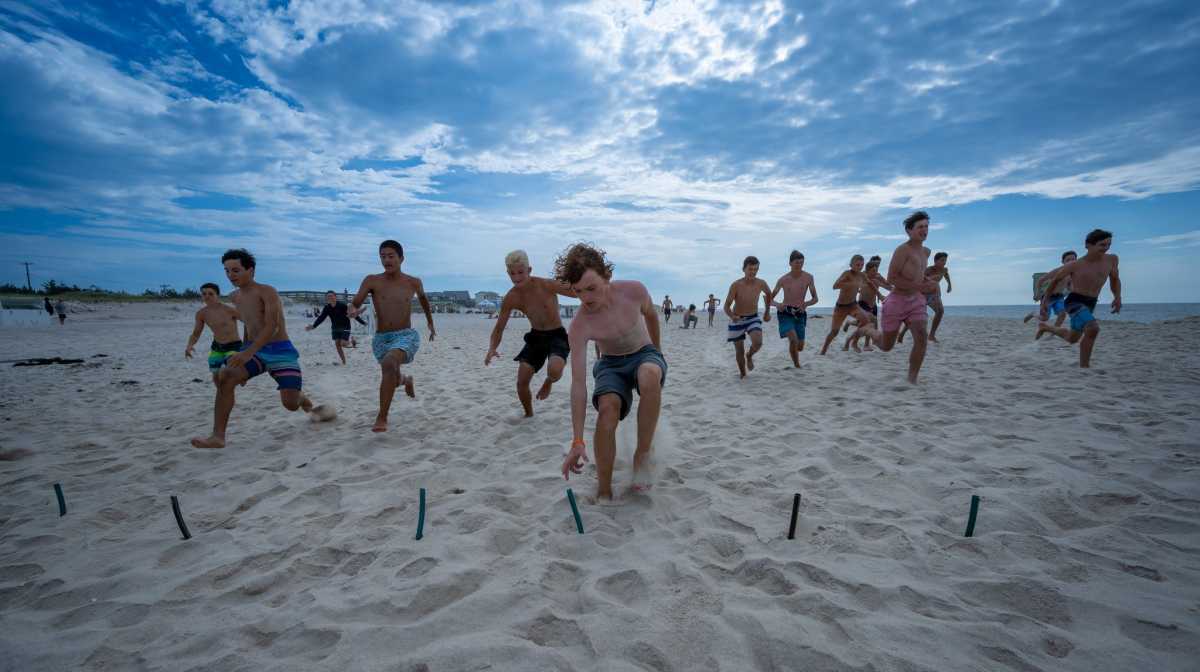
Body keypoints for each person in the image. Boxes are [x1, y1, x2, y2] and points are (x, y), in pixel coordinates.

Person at [557, 243, 666, 502]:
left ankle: (642, 455)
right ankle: (604, 488)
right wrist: (576, 440)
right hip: (610, 364)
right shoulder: (579, 326)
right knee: (607, 411)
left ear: (607, 277)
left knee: (649, 374)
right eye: (578, 291)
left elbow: (651, 315)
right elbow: (579, 385)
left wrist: (657, 350)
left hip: (644, 353)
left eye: (591, 288)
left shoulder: (634, 291)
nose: (586, 298)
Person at [191, 249, 328, 448]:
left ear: (251, 270)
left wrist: (248, 352)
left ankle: (305, 402)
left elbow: (272, 326)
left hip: (280, 351)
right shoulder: (235, 297)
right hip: (254, 350)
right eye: (227, 271)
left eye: (236, 270)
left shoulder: (267, 291)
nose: (231, 276)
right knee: (226, 376)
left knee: (290, 404)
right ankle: (217, 436)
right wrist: (242, 352)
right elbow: (248, 324)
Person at [349, 240, 436, 432]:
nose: (386, 260)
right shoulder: (372, 280)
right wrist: (353, 310)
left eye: (390, 256)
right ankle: (406, 380)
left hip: (405, 335)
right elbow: (355, 302)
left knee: (389, 364)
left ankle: (382, 417)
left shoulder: (413, 282)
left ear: (401, 258)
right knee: (392, 375)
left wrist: (430, 322)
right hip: (381, 338)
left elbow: (423, 300)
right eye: (382, 256)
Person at [485, 250, 577, 417]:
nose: (517, 277)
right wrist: (492, 348)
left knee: (554, 370)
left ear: (529, 270)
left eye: (521, 272)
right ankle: (529, 414)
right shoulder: (511, 297)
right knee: (521, 381)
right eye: (512, 273)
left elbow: (575, 291)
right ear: (508, 273)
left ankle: (548, 382)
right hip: (536, 337)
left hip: (557, 335)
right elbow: (498, 328)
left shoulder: (547, 285)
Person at [852, 211, 940, 384]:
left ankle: (912, 379)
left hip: (916, 302)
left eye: (926, 227)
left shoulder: (925, 252)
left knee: (921, 337)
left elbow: (918, 275)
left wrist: (930, 282)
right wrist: (920, 286)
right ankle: (867, 330)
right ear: (909, 230)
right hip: (896, 302)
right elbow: (893, 278)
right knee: (886, 346)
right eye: (920, 227)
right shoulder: (902, 250)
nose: (924, 230)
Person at [1035, 230, 1121, 368]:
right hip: (1074, 301)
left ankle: (1045, 327)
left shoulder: (1112, 260)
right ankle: (1084, 368)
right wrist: (1044, 301)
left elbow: (1115, 279)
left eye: (1108, 245)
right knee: (1093, 328)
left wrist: (1117, 297)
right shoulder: (1075, 265)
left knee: (1072, 338)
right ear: (1088, 245)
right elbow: (1055, 281)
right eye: (1102, 245)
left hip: (1091, 302)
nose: (1106, 248)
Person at [184, 282, 242, 385]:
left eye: (210, 294)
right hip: (217, 347)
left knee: (227, 373)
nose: (207, 296)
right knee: (216, 377)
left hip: (234, 346)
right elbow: (196, 333)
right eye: (204, 294)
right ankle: (222, 396)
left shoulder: (229, 310)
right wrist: (189, 346)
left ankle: (240, 377)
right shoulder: (201, 314)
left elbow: (249, 322)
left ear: (217, 295)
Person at [724, 256, 772, 378]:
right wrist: (732, 316)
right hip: (737, 318)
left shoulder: (761, 283)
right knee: (739, 350)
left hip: (753, 317)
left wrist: (767, 312)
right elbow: (726, 306)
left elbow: (769, 294)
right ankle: (743, 374)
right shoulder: (736, 285)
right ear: (743, 269)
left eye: (756, 269)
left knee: (758, 342)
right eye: (750, 269)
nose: (753, 272)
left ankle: (749, 355)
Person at [769, 250, 818, 368]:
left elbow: (815, 298)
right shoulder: (783, 279)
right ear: (790, 263)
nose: (799, 265)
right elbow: (769, 300)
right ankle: (797, 365)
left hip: (800, 312)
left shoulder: (809, 277)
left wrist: (805, 304)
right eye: (797, 263)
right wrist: (777, 305)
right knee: (793, 339)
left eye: (801, 263)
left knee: (800, 346)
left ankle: (792, 340)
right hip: (785, 312)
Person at [819, 255, 875, 355]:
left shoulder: (862, 275)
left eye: (862, 265)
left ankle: (854, 343)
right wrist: (852, 284)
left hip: (853, 305)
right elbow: (835, 286)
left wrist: (880, 295)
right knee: (834, 332)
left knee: (866, 321)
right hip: (841, 307)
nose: (860, 267)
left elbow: (870, 283)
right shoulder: (847, 274)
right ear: (851, 265)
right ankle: (823, 351)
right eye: (858, 265)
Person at [898, 252, 952, 343]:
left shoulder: (944, 270)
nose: (944, 262)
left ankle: (931, 335)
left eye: (945, 260)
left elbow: (946, 275)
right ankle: (901, 334)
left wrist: (949, 285)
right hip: (922, 295)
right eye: (942, 260)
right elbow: (921, 280)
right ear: (935, 261)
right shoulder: (928, 270)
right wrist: (935, 277)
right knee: (914, 317)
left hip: (934, 295)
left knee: (940, 311)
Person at [306, 290, 367, 365]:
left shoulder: (342, 305)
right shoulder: (327, 308)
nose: (330, 298)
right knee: (337, 345)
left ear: (335, 297)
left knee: (343, 343)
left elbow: (353, 315)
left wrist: (362, 322)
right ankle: (344, 361)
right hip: (335, 328)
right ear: (326, 298)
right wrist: (314, 326)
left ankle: (352, 342)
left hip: (345, 326)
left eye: (331, 296)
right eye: (328, 296)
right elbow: (321, 318)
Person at [843, 256, 889, 352]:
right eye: (875, 263)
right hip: (863, 303)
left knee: (868, 325)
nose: (877, 265)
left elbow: (887, 285)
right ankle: (854, 342)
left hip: (873, 305)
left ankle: (863, 342)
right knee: (869, 324)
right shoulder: (863, 274)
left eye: (878, 264)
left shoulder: (878, 275)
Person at [1024, 250, 1077, 327]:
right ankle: (1033, 314)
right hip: (1047, 297)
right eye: (1068, 260)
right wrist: (1038, 294)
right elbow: (1041, 280)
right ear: (1063, 261)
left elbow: (1070, 287)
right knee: (1044, 318)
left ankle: (1054, 332)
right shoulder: (1058, 271)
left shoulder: (1072, 274)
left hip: (1059, 297)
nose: (1071, 262)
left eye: (1073, 259)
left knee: (1062, 314)